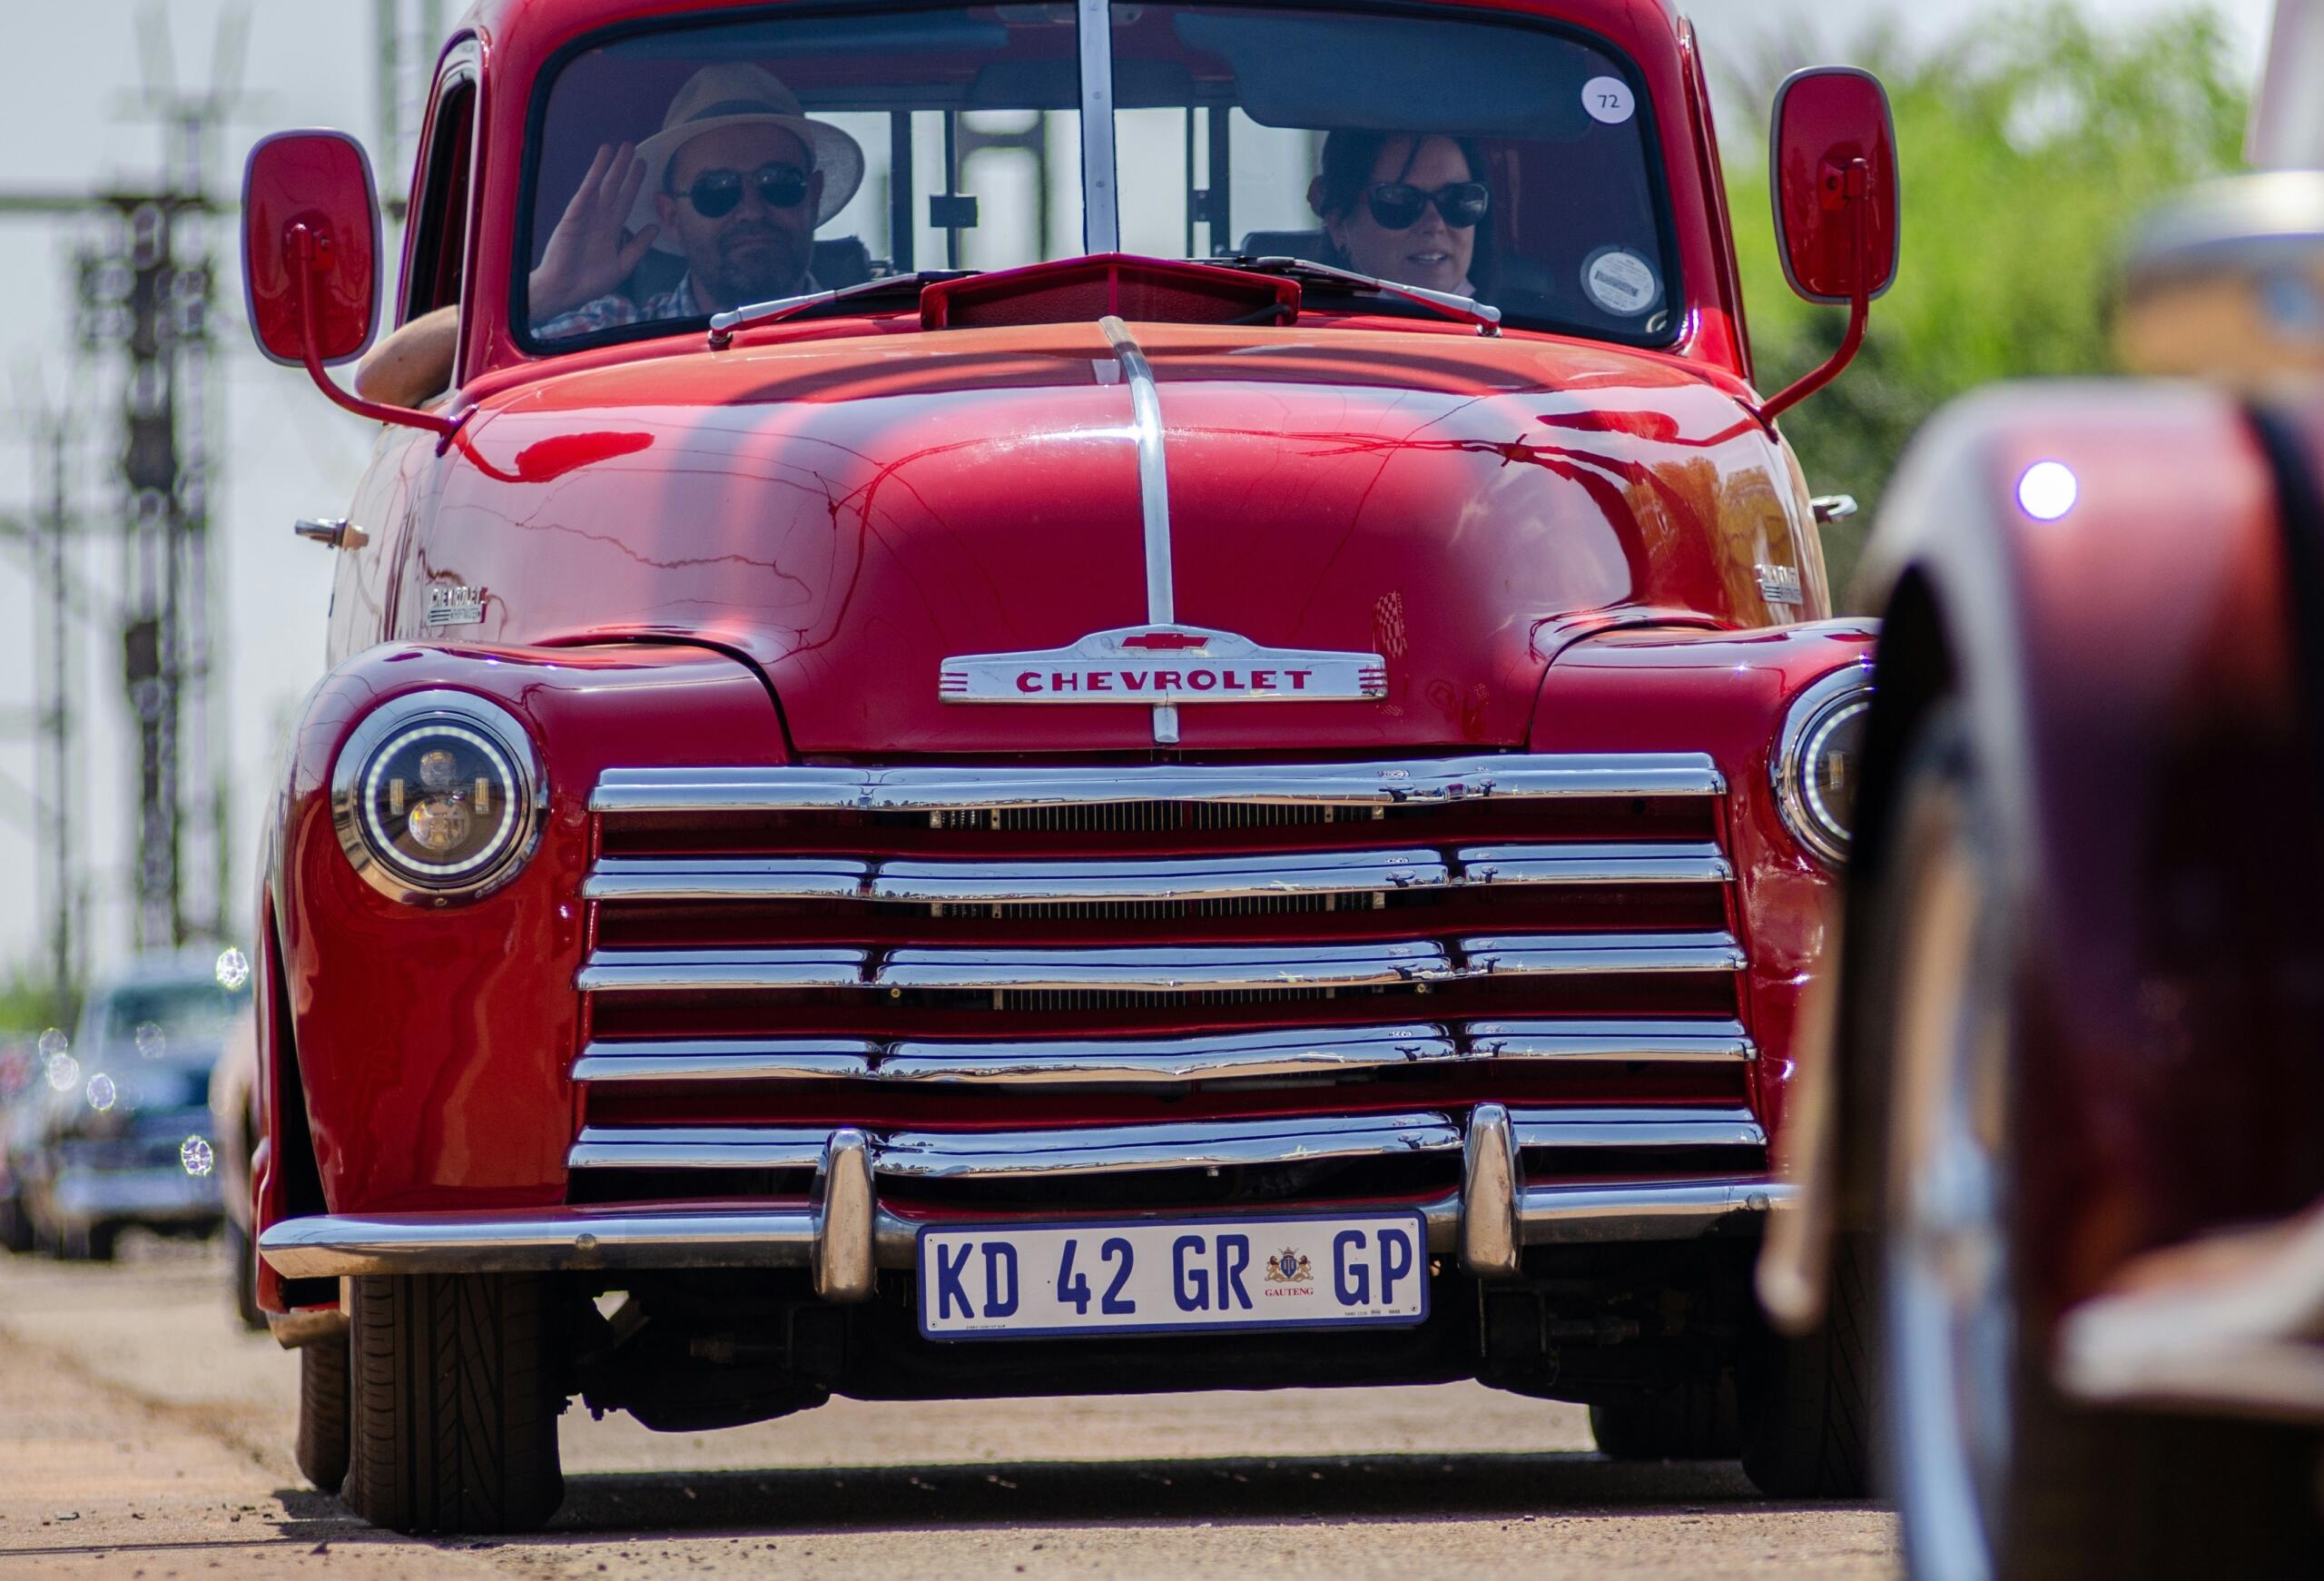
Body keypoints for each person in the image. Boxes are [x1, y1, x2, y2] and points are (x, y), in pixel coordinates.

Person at [530, 62, 865, 336]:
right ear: (671, 216)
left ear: (814, 195)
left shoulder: (873, 336)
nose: (751, 210)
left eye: (778, 183)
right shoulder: (613, 333)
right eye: (716, 189)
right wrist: (547, 293)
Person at [1306, 131, 1492, 299]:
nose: (1435, 224)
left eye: (1457, 198)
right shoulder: (1292, 327)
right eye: (1399, 200)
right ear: (1338, 223)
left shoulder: (1516, 325)